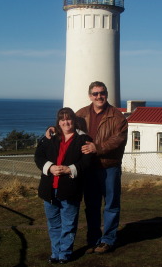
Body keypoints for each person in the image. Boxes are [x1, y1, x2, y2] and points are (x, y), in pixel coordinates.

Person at [47, 81, 128, 254]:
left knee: (111, 204)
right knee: (91, 205)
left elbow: (119, 139)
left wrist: (96, 147)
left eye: (102, 93)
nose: (99, 96)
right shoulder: (81, 114)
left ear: (106, 93)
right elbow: (67, 125)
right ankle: (94, 239)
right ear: (90, 95)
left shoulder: (117, 116)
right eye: (95, 93)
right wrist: (53, 128)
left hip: (109, 166)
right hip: (89, 167)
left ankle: (108, 239)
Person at [35, 107, 92, 264]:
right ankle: (55, 252)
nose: (66, 122)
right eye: (62, 119)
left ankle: (64, 253)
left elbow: (87, 162)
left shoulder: (83, 139)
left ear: (74, 120)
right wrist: (50, 167)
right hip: (49, 189)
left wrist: (70, 169)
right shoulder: (50, 137)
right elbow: (38, 156)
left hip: (70, 188)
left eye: (69, 119)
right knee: (53, 224)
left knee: (68, 223)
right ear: (58, 122)